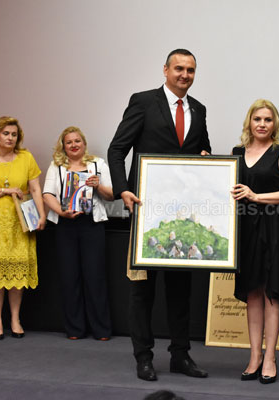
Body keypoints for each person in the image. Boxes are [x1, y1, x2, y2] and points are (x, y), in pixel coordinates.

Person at [107, 48, 211, 381]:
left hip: (183, 215)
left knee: (181, 290)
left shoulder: (198, 109)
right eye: (179, 68)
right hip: (147, 212)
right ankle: (144, 357)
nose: (185, 75)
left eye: (190, 70)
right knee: (143, 291)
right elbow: (116, 149)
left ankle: (180, 356)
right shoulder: (142, 102)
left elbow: (203, 151)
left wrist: (206, 159)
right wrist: (123, 189)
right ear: (165, 70)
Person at [231, 99, 279, 384]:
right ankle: (254, 356)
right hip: (246, 228)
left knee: (272, 293)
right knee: (253, 293)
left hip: (274, 227)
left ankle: (270, 357)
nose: (262, 124)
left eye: (267, 120)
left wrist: (256, 197)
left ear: (275, 124)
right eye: (257, 119)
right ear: (249, 122)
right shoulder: (236, 152)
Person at [0, 116, 46, 340]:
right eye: (6, 133)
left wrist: (42, 215)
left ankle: (15, 319)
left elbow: (35, 189)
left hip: (19, 223)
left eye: (14, 134)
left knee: (17, 271)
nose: (10, 138)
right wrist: (5, 190)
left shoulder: (26, 158)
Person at [43, 126, 113, 340]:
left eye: (77, 141)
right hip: (66, 225)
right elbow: (47, 194)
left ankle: (101, 329)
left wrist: (98, 185)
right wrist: (61, 212)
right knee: (69, 277)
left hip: (92, 224)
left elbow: (111, 195)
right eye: (69, 142)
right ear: (63, 147)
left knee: (95, 277)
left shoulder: (98, 164)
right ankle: (75, 329)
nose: (73, 145)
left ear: (84, 143)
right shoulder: (56, 166)